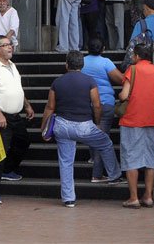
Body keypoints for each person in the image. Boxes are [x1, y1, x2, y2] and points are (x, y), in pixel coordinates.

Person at [41, 51, 122, 207]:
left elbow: (50, 107)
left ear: (66, 64)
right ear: (82, 65)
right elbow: (97, 105)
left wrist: (44, 127)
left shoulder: (57, 82)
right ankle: (114, 175)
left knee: (65, 161)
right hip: (84, 125)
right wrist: (97, 122)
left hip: (62, 125)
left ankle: (68, 198)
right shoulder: (89, 81)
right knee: (105, 143)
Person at [0, 35, 34, 204]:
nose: (10, 47)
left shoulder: (12, 65)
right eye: (5, 45)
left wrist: (27, 105)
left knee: (23, 141)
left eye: (10, 44)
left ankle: (8, 170)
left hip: (15, 116)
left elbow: (18, 88)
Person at [118, 44, 154, 208]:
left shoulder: (133, 70)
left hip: (132, 120)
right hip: (151, 120)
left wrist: (120, 95)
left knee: (131, 157)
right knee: (149, 159)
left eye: (133, 55)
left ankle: (133, 198)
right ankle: (148, 196)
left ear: (137, 56)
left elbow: (124, 94)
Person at [82, 37, 124, 182]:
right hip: (105, 103)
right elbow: (121, 79)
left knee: (93, 134)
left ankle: (93, 158)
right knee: (102, 138)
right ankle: (97, 174)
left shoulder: (82, 62)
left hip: (86, 104)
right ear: (103, 49)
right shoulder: (105, 62)